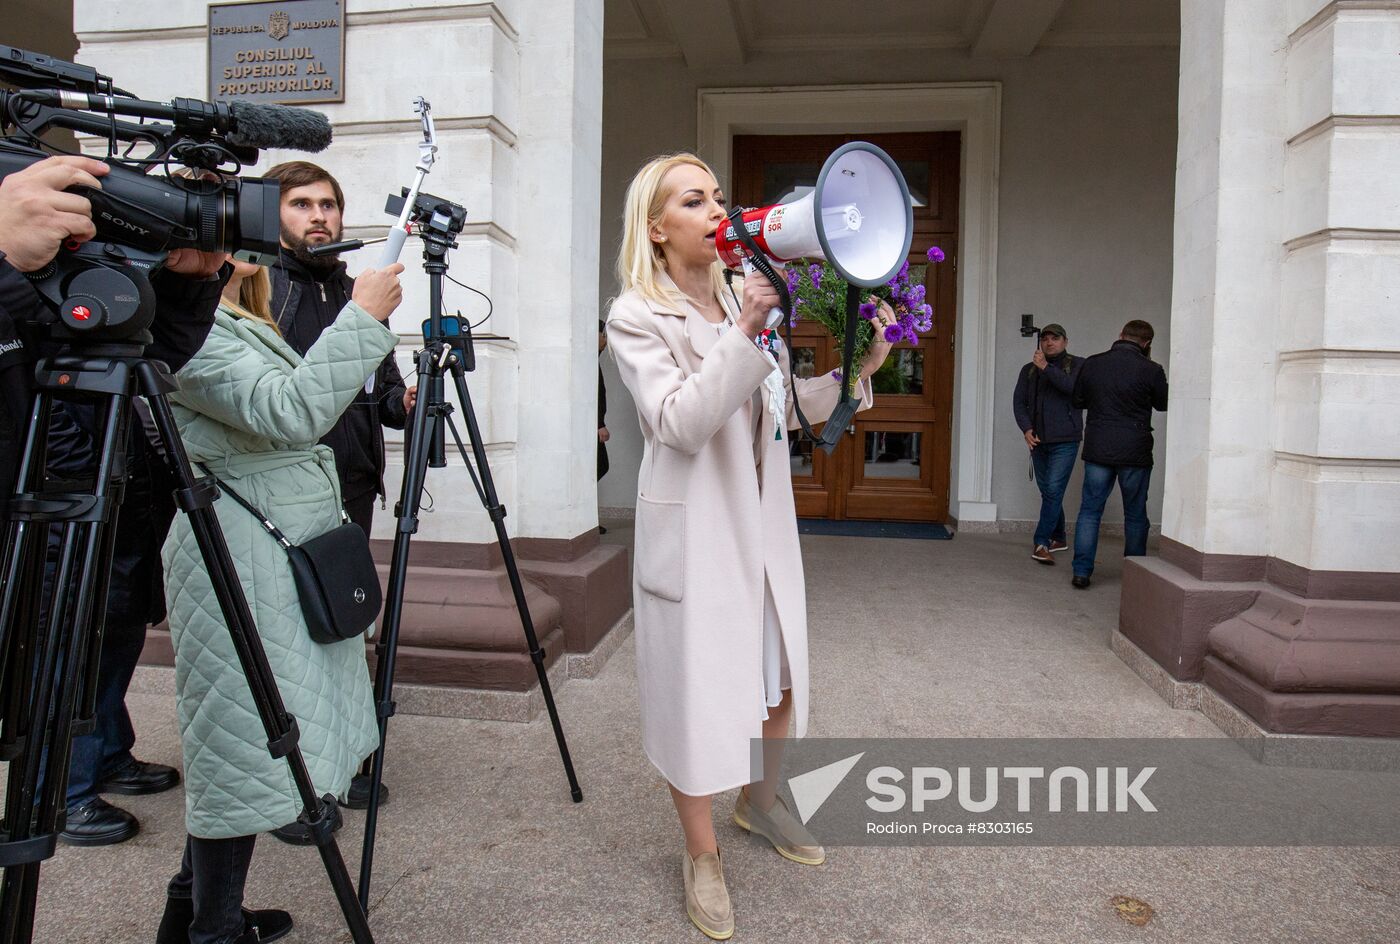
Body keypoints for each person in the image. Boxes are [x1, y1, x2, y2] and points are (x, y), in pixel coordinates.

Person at [607, 153, 897, 941]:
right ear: (658, 228)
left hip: (762, 524)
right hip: (697, 529)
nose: (717, 210)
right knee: (696, 694)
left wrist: (856, 371)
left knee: (778, 678)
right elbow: (679, 421)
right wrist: (742, 331)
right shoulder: (638, 315)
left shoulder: (746, 297)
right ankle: (702, 856)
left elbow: (781, 409)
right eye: (693, 200)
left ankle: (758, 803)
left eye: (719, 196)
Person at [153, 251, 404, 944]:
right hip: (240, 551)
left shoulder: (237, 313)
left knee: (249, 749)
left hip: (270, 543)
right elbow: (291, 413)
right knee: (243, 745)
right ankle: (212, 931)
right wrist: (364, 315)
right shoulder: (186, 324)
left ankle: (201, 917)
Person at [1, 156, 227, 845]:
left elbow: (151, 358)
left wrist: (190, 283)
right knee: (61, 643)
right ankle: (57, 796)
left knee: (116, 629)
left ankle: (105, 754)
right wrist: (7, 261)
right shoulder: (22, 265)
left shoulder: (84, 276)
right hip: (53, 495)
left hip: (121, 483)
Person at [261, 160, 414, 821]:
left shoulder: (360, 290)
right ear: (275, 217)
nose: (320, 215)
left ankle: (347, 757)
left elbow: (381, 392)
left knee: (345, 624)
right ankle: (295, 785)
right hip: (283, 493)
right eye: (301, 204)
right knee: (291, 638)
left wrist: (405, 401)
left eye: (328, 204)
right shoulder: (264, 292)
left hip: (350, 489)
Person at [1069, 319, 1169, 588]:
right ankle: (1136, 576)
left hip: (1099, 445)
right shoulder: (1152, 369)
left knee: (1090, 511)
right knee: (1135, 514)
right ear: (1146, 343)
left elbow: (1078, 400)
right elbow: (1163, 404)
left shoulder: (1093, 363)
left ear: (1121, 335)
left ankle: (1081, 572)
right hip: (1135, 448)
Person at [1011, 323, 1082, 565]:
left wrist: (1046, 368)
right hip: (1038, 441)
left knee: (1052, 490)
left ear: (1065, 341)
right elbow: (1019, 402)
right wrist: (1026, 429)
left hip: (1066, 440)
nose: (1049, 342)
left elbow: (1074, 390)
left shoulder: (1077, 365)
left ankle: (1041, 542)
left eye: (1055, 338)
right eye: (1045, 338)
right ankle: (1059, 537)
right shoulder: (1028, 371)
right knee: (1049, 491)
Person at [597, 319, 610, 533]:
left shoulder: (592, 360)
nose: (606, 340)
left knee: (600, 467)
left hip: (594, 424)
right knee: (599, 466)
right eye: (604, 334)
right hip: (592, 426)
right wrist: (599, 425)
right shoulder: (586, 362)